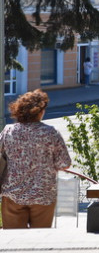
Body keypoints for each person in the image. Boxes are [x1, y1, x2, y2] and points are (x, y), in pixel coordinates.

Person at [0, 89, 72, 228]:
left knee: (14, 241)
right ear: (39, 111)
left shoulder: (9, 130)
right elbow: (64, 163)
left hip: (13, 194)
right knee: (40, 239)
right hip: (43, 194)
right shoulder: (51, 133)